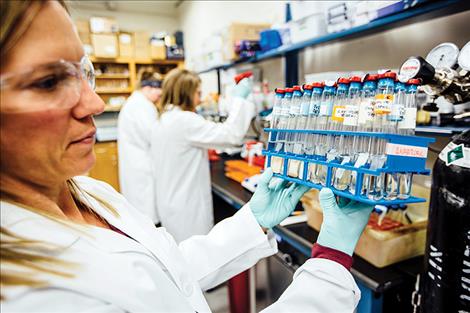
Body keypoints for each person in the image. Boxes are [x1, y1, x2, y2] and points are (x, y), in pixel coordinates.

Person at [0, 1, 373, 312]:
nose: (94, 103)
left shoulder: (85, 191)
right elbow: (228, 136)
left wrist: (252, 222)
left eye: (84, 73)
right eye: (48, 82)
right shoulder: (34, 294)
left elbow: (166, 275)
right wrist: (330, 260)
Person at [151, 69, 255, 242]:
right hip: (187, 209)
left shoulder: (163, 120)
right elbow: (231, 134)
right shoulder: (184, 120)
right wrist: (240, 99)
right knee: (197, 259)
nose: (199, 99)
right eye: (198, 93)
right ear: (186, 93)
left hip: (171, 203)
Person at [117, 69, 162, 225]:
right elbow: (154, 136)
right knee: (146, 213)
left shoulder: (135, 103)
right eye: (158, 90)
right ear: (147, 88)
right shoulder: (142, 106)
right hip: (142, 166)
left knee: (139, 209)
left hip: (136, 163)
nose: (160, 95)